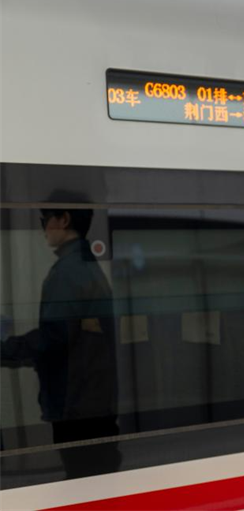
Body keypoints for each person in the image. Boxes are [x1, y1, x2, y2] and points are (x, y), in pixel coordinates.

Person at [0, 199, 120, 477]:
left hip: (76, 407)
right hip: (93, 403)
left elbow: (53, 339)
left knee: (83, 481)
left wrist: (5, 349)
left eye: (44, 221)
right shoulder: (86, 265)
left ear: (63, 219)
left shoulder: (68, 272)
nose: (43, 230)